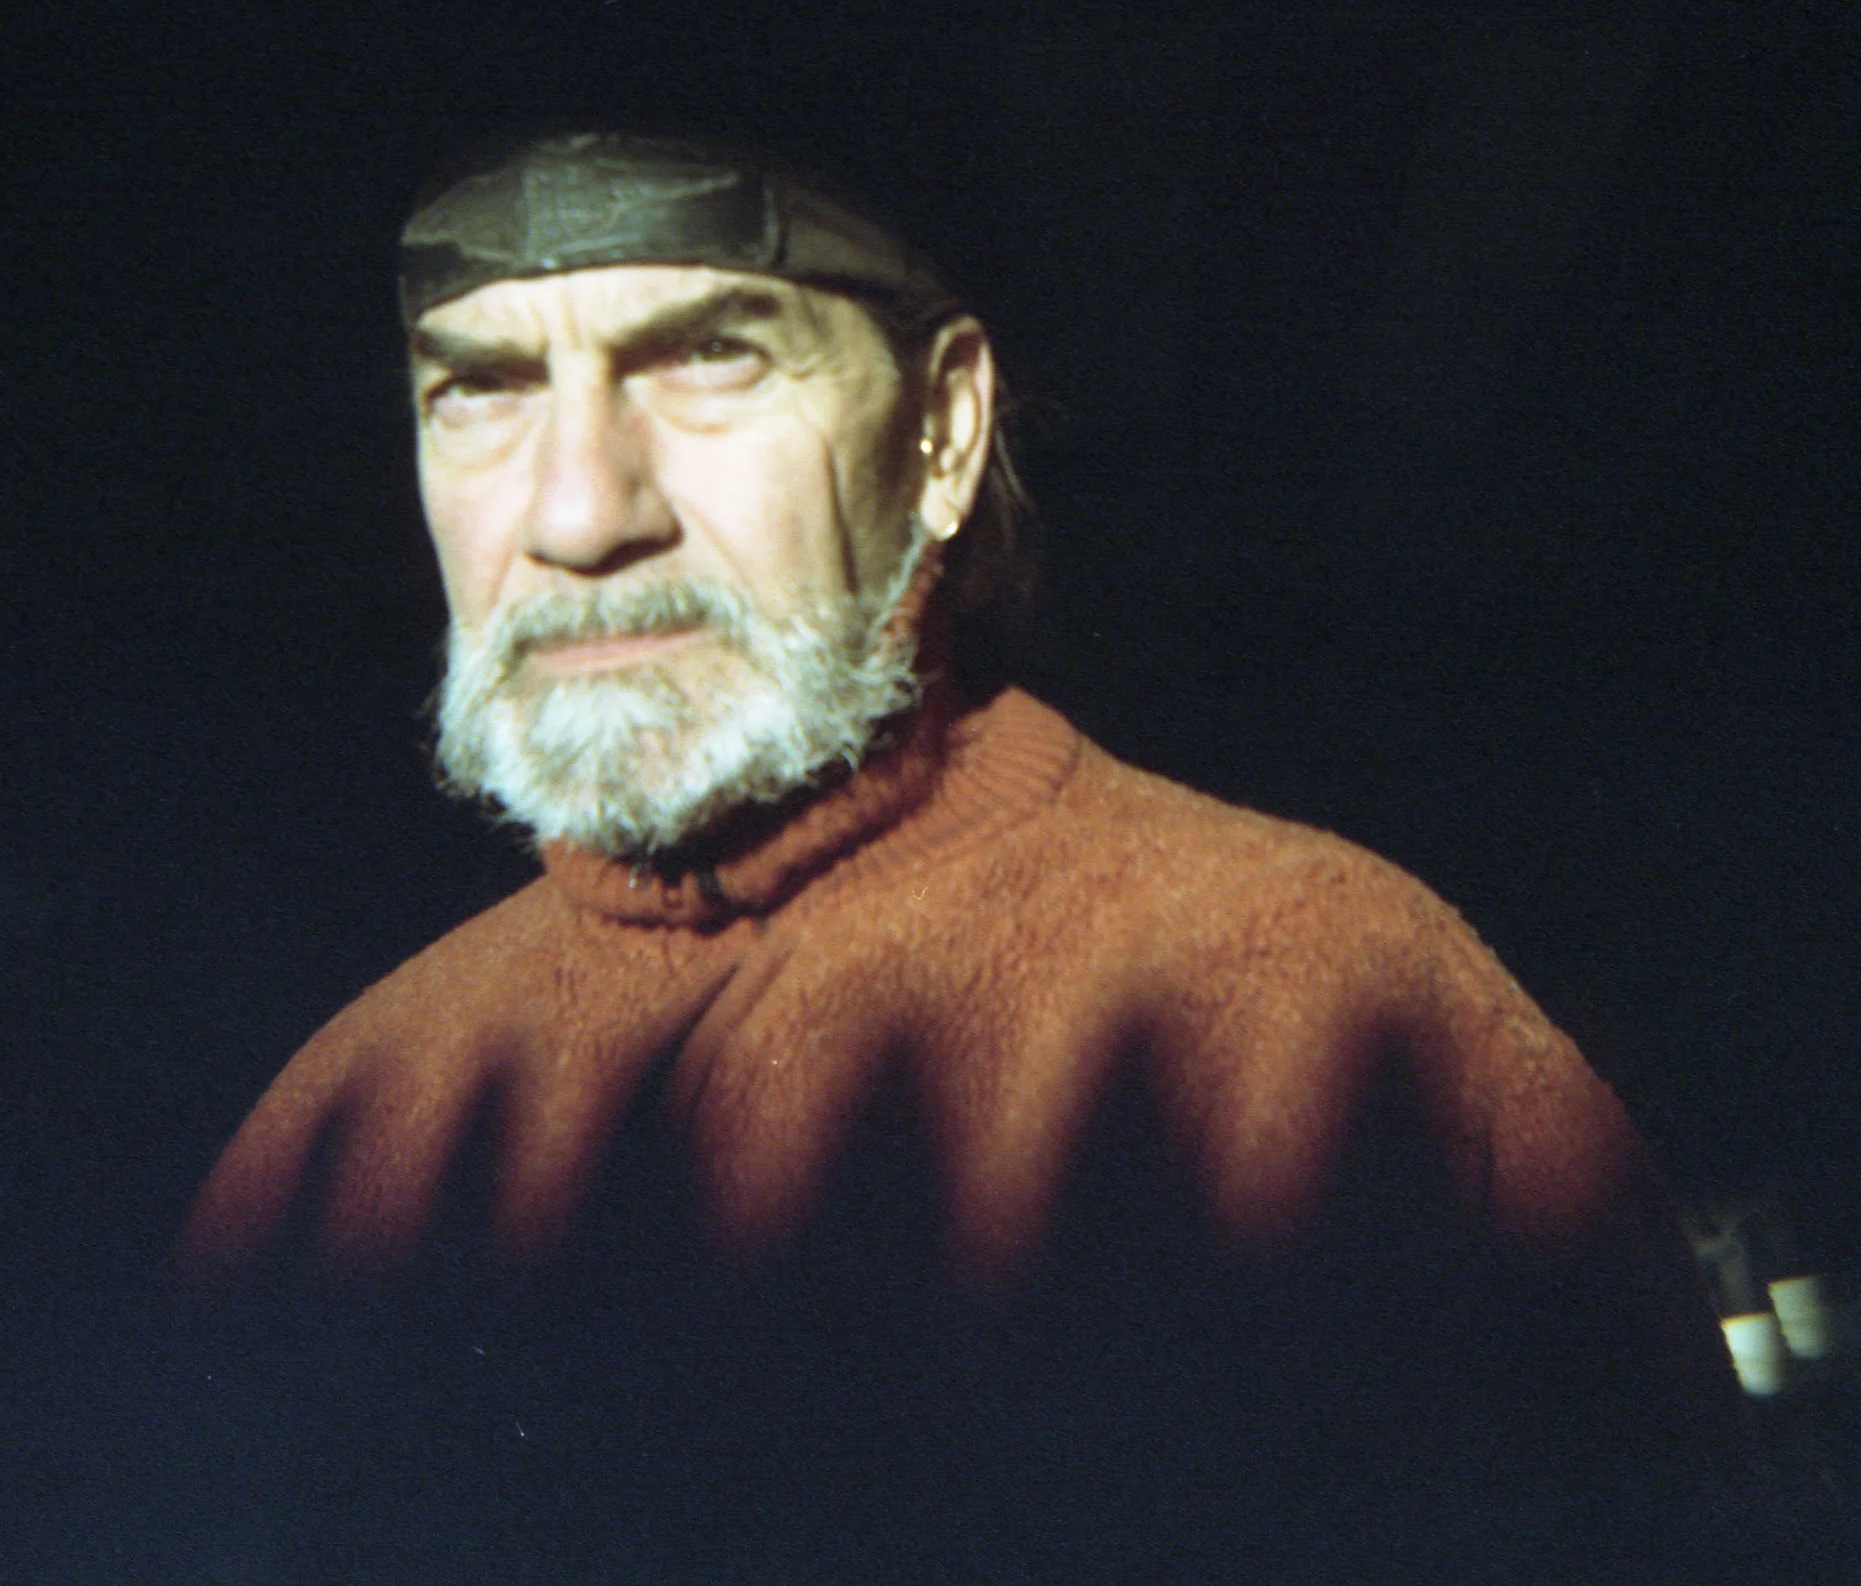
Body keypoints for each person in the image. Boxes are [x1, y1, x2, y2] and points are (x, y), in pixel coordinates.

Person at [182, 127, 1736, 1572]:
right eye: (481, 390)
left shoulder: (1329, 993)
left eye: (708, 357)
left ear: (940, 430)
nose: (582, 512)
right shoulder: (334, 1126)